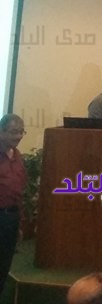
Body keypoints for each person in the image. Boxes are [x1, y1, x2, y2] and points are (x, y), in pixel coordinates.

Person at [0, 114, 25, 297]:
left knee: (4, 264)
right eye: (13, 132)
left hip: (11, 218)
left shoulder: (17, 155)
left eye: (21, 132)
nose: (18, 136)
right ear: (1, 132)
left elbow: (18, 191)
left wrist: (19, 224)